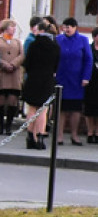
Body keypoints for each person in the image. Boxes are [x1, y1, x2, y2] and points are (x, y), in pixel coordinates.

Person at [22, 19, 60, 150]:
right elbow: (56, 65)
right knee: (43, 109)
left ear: (42, 31)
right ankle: (39, 137)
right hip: (47, 79)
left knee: (32, 108)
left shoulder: (34, 44)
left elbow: (27, 63)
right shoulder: (55, 46)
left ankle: (30, 137)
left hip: (33, 78)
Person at [55, 17, 92, 146]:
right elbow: (54, 56)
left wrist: (86, 77)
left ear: (75, 27)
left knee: (75, 109)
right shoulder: (59, 40)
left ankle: (74, 135)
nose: (68, 29)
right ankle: (59, 136)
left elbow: (88, 59)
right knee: (61, 109)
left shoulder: (83, 40)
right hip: (61, 78)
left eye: (70, 26)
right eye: (65, 27)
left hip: (77, 80)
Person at [0, 19, 25, 134]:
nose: (14, 29)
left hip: (14, 75)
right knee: (1, 100)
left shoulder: (17, 42)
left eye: (15, 27)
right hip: (2, 74)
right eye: (11, 27)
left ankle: (9, 125)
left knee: (12, 101)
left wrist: (13, 64)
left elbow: (22, 55)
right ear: (5, 28)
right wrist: (4, 64)